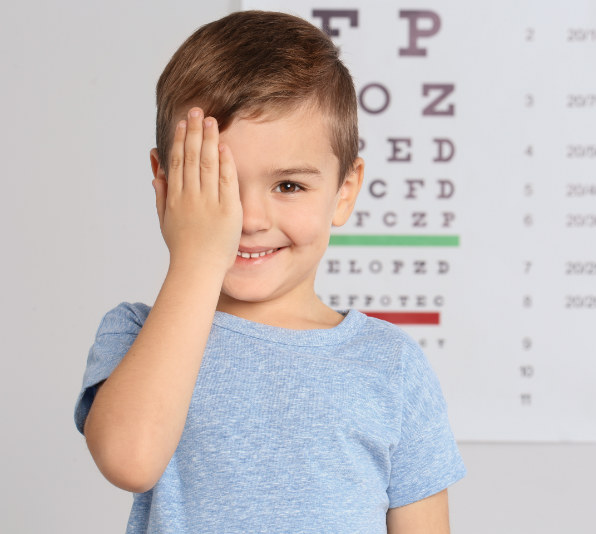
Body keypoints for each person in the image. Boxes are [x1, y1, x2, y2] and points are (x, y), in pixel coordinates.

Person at [73, 10, 465, 533]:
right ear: (164, 183)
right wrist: (197, 257)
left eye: (288, 186)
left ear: (344, 191)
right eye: (218, 185)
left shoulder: (389, 366)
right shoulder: (135, 334)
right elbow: (130, 460)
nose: (250, 220)